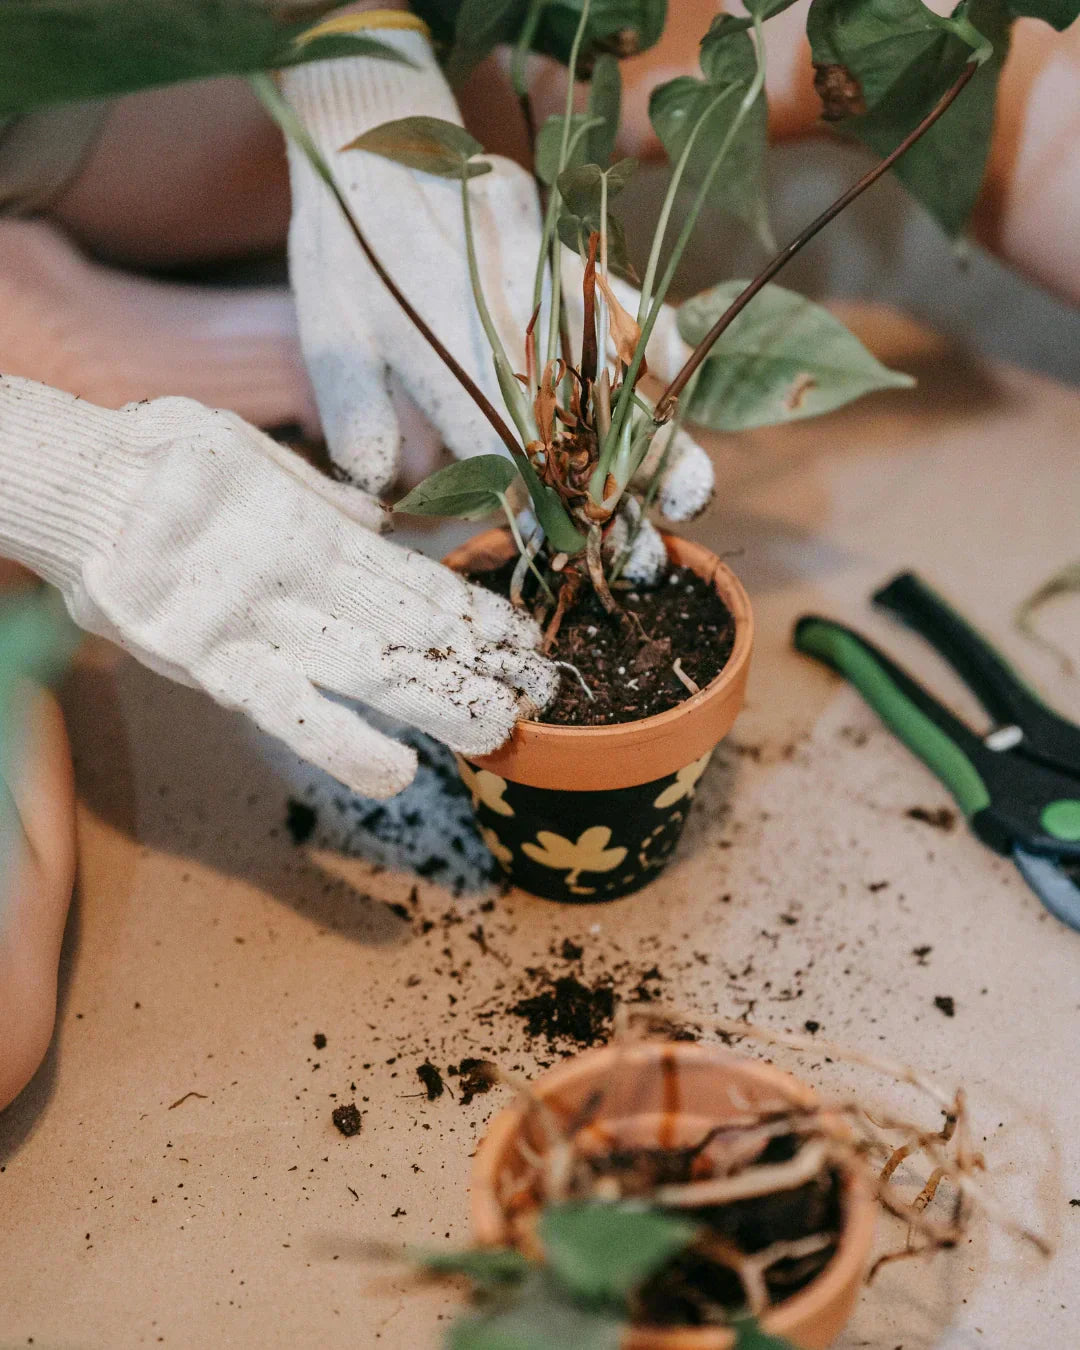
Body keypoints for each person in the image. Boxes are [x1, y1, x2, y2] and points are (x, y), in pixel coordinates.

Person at [1, 1, 1077, 1110]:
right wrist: (41, 473)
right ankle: (80, 347)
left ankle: (123, 338)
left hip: (136, 66)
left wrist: (355, 53)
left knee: (879, 34)